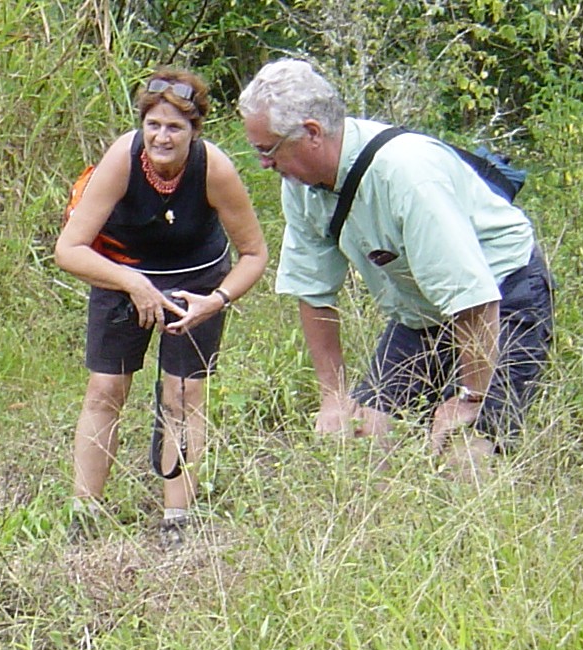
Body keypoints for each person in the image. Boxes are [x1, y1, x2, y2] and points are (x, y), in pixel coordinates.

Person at [236, 58, 554, 463]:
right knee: (363, 437)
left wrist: (469, 399)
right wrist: (334, 399)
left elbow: (473, 297)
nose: (264, 163)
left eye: (267, 149)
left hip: (501, 296)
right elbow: (313, 292)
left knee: (465, 453)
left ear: (312, 133)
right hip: (420, 310)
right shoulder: (299, 184)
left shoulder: (405, 174)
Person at [55, 68, 268, 545]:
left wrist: (216, 301)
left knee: (183, 395)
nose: (161, 136)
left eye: (175, 127)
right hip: (122, 271)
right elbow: (68, 249)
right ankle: (83, 517)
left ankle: (177, 521)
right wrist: (133, 283)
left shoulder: (214, 168)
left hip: (196, 280)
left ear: (195, 131)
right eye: (153, 125)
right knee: (105, 388)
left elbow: (255, 255)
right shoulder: (123, 159)